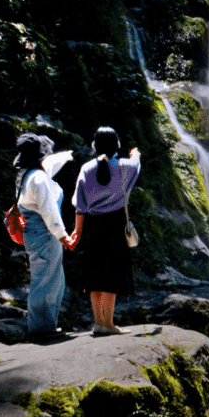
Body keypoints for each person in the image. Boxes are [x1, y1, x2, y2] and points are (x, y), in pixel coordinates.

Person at [73, 126, 141, 336]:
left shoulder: (86, 169)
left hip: (93, 227)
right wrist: (135, 154)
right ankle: (109, 324)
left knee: (95, 274)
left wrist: (76, 232)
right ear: (116, 146)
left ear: (94, 146)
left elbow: (80, 206)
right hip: (115, 225)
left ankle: (98, 322)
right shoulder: (124, 167)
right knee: (112, 274)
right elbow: (137, 165)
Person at [14, 133, 74, 340]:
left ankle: (45, 326)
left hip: (35, 234)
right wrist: (64, 237)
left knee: (47, 278)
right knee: (47, 280)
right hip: (46, 234)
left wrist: (67, 155)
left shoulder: (27, 174)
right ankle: (42, 330)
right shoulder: (39, 179)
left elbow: (52, 165)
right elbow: (49, 211)